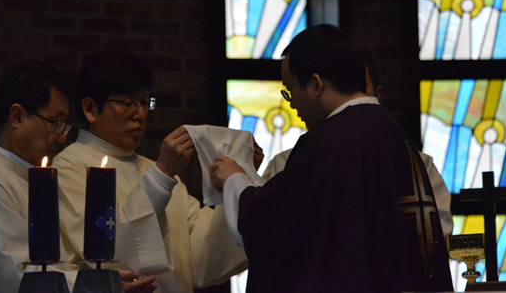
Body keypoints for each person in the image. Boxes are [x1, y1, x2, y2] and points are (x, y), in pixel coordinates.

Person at [211, 24, 454, 292]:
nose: (291, 103)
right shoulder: (395, 136)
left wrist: (234, 179)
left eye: (290, 90)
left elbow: (270, 226)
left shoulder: (330, 144)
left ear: (316, 84)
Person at [54, 50, 248, 293]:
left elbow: (201, 257)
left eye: (145, 103)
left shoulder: (153, 169)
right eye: (127, 103)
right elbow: (108, 253)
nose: (140, 114)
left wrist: (239, 184)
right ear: (90, 108)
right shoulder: (68, 169)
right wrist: (162, 175)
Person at [0, 61, 155, 293]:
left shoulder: (29, 179)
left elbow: (53, 270)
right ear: (17, 117)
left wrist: (98, 280)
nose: (61, 137)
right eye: (55, 123)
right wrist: (95, 286)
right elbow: (16, 281)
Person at [261, 50, 455, 236]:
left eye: (359, 89)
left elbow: (437, 238)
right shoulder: (285, 165)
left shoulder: (417, 167)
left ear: (376, 95)